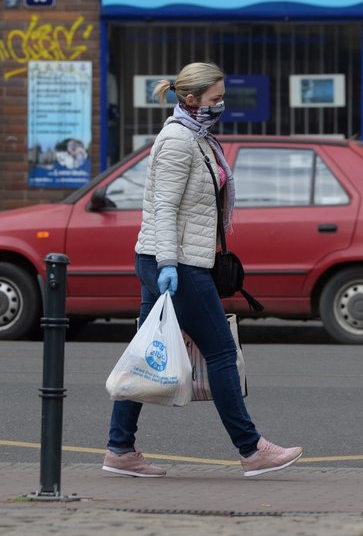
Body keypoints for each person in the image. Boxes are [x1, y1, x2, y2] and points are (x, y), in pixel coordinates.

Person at [102, 62, 303, 479]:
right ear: (190, 100)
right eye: (215, 99)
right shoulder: (178, 141)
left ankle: (120, 449)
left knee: (145, 352)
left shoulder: (199, 138)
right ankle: (252, 450)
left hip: (172, 257)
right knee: (222, 352)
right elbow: (164, 207)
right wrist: (169, 265)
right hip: (174, 262)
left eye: (222, 98)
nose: (221, 105)